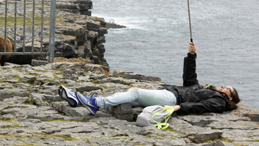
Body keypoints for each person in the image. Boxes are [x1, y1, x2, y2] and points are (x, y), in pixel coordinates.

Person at [64, 42, 240, 115]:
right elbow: (190, 79)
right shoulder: (208, 91)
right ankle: (80, 101)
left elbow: (201, 106)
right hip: (170, 94)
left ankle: (96, 104)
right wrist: (191, 55)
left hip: (172, 98)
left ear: (230, 97)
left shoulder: (220, 101)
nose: (223, 86)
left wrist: (179, 107)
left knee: (135, 93)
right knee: (126, 99)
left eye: (227, 88)